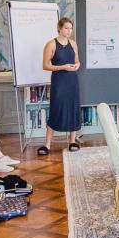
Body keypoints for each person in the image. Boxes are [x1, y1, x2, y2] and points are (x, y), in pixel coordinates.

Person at [40, 17, 82, 155]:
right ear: (59, 28)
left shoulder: (73, 44)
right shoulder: (51, 44)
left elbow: (77, 61)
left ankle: (72, 141)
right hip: (59, 80)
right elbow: (45, 65)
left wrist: (77, 65)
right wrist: (63, 67)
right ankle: (47, 145)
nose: (69, 31)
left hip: (72, 80)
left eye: (71, 28)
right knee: (56, 108)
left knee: (73, 107)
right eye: (66, 28)